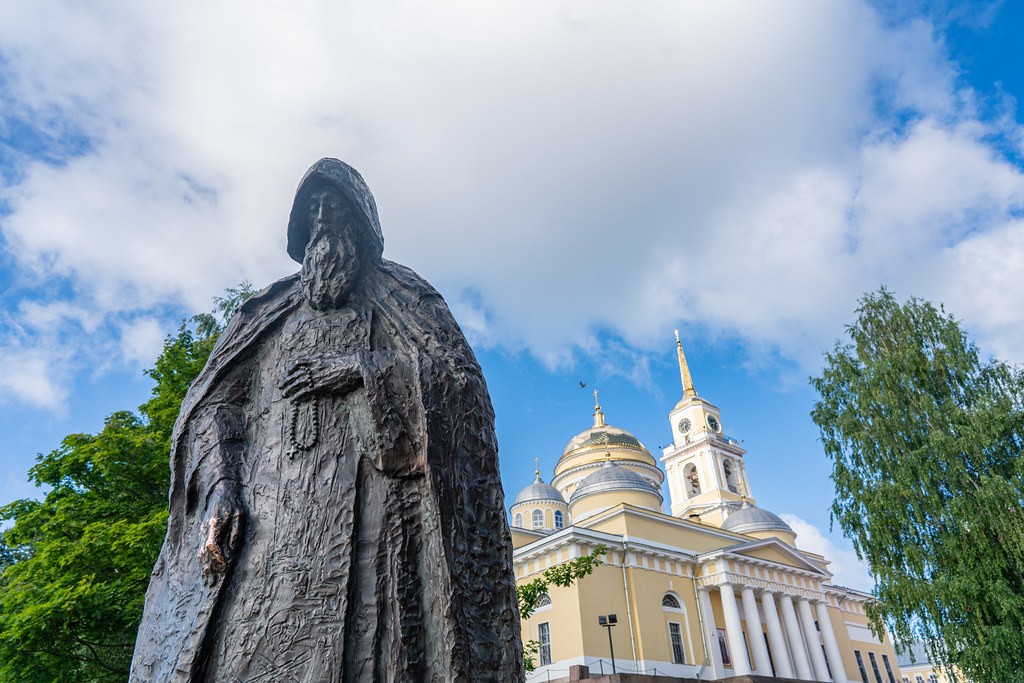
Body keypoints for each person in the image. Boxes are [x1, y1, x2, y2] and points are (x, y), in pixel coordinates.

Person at [130, 159, 524, 682]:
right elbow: (211, 404)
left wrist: (362, 369)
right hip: (269, 529)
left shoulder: (405, 299)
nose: (322, 221)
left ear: (360, 221)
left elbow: (456, 386)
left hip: (372, 521)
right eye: (311, 211)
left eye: (333, 207)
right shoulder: (267, 313)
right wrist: (222, 484)